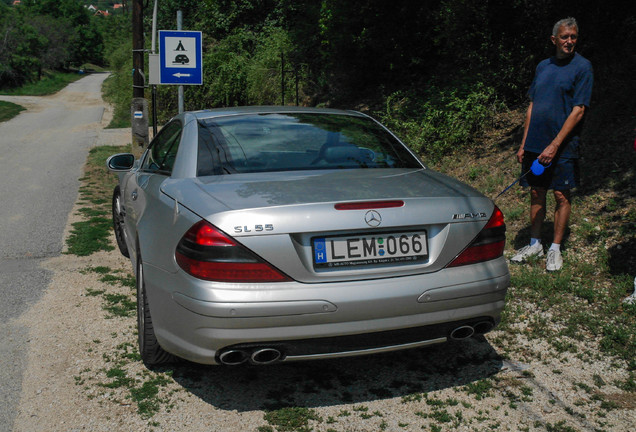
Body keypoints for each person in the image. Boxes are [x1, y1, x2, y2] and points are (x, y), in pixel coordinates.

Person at [511, 17, 593, 271]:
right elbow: (532, 106)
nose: (570, 41)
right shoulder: (543, 67)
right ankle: (535, 243)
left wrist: (555, 145)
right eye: (565, 36)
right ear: (554, 39)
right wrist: (524, 143)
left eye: (574, 37)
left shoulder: (583, 67)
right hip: (535, 144)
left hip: (563, 146)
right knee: (536, 191)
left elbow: (578, 110)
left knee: (561, 194)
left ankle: (555, 249)